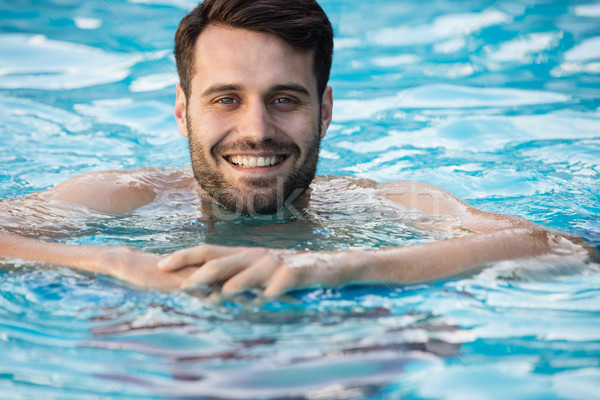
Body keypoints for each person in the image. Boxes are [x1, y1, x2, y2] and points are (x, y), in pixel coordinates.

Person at [0, 0, 597, 296]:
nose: (256, 128)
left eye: (284, 98)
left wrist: (337, 266)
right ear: (183, 111)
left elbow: (564, 247)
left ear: (326, 110)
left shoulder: (380, 207)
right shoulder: (127, 198)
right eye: (226, 98)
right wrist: (114, 264)